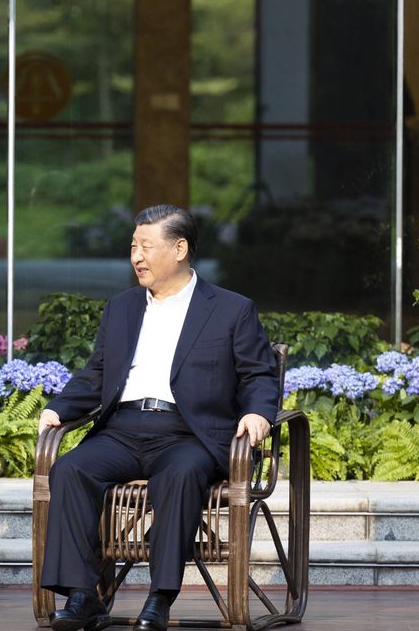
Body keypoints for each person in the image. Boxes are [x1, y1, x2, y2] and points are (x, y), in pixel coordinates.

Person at [37, 204, 278, 631]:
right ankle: (82, 596)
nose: (136, 257)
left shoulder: (230, 309)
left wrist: (259, 413)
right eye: (133, 246)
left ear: (179, 248)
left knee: (181, 474)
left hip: (189, 435)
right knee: (71, 469)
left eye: (146, 246)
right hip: (123, 430)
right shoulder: (122, 307)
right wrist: (59, 408)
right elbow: (96, 372)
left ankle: (159, 598)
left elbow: (258, 373)